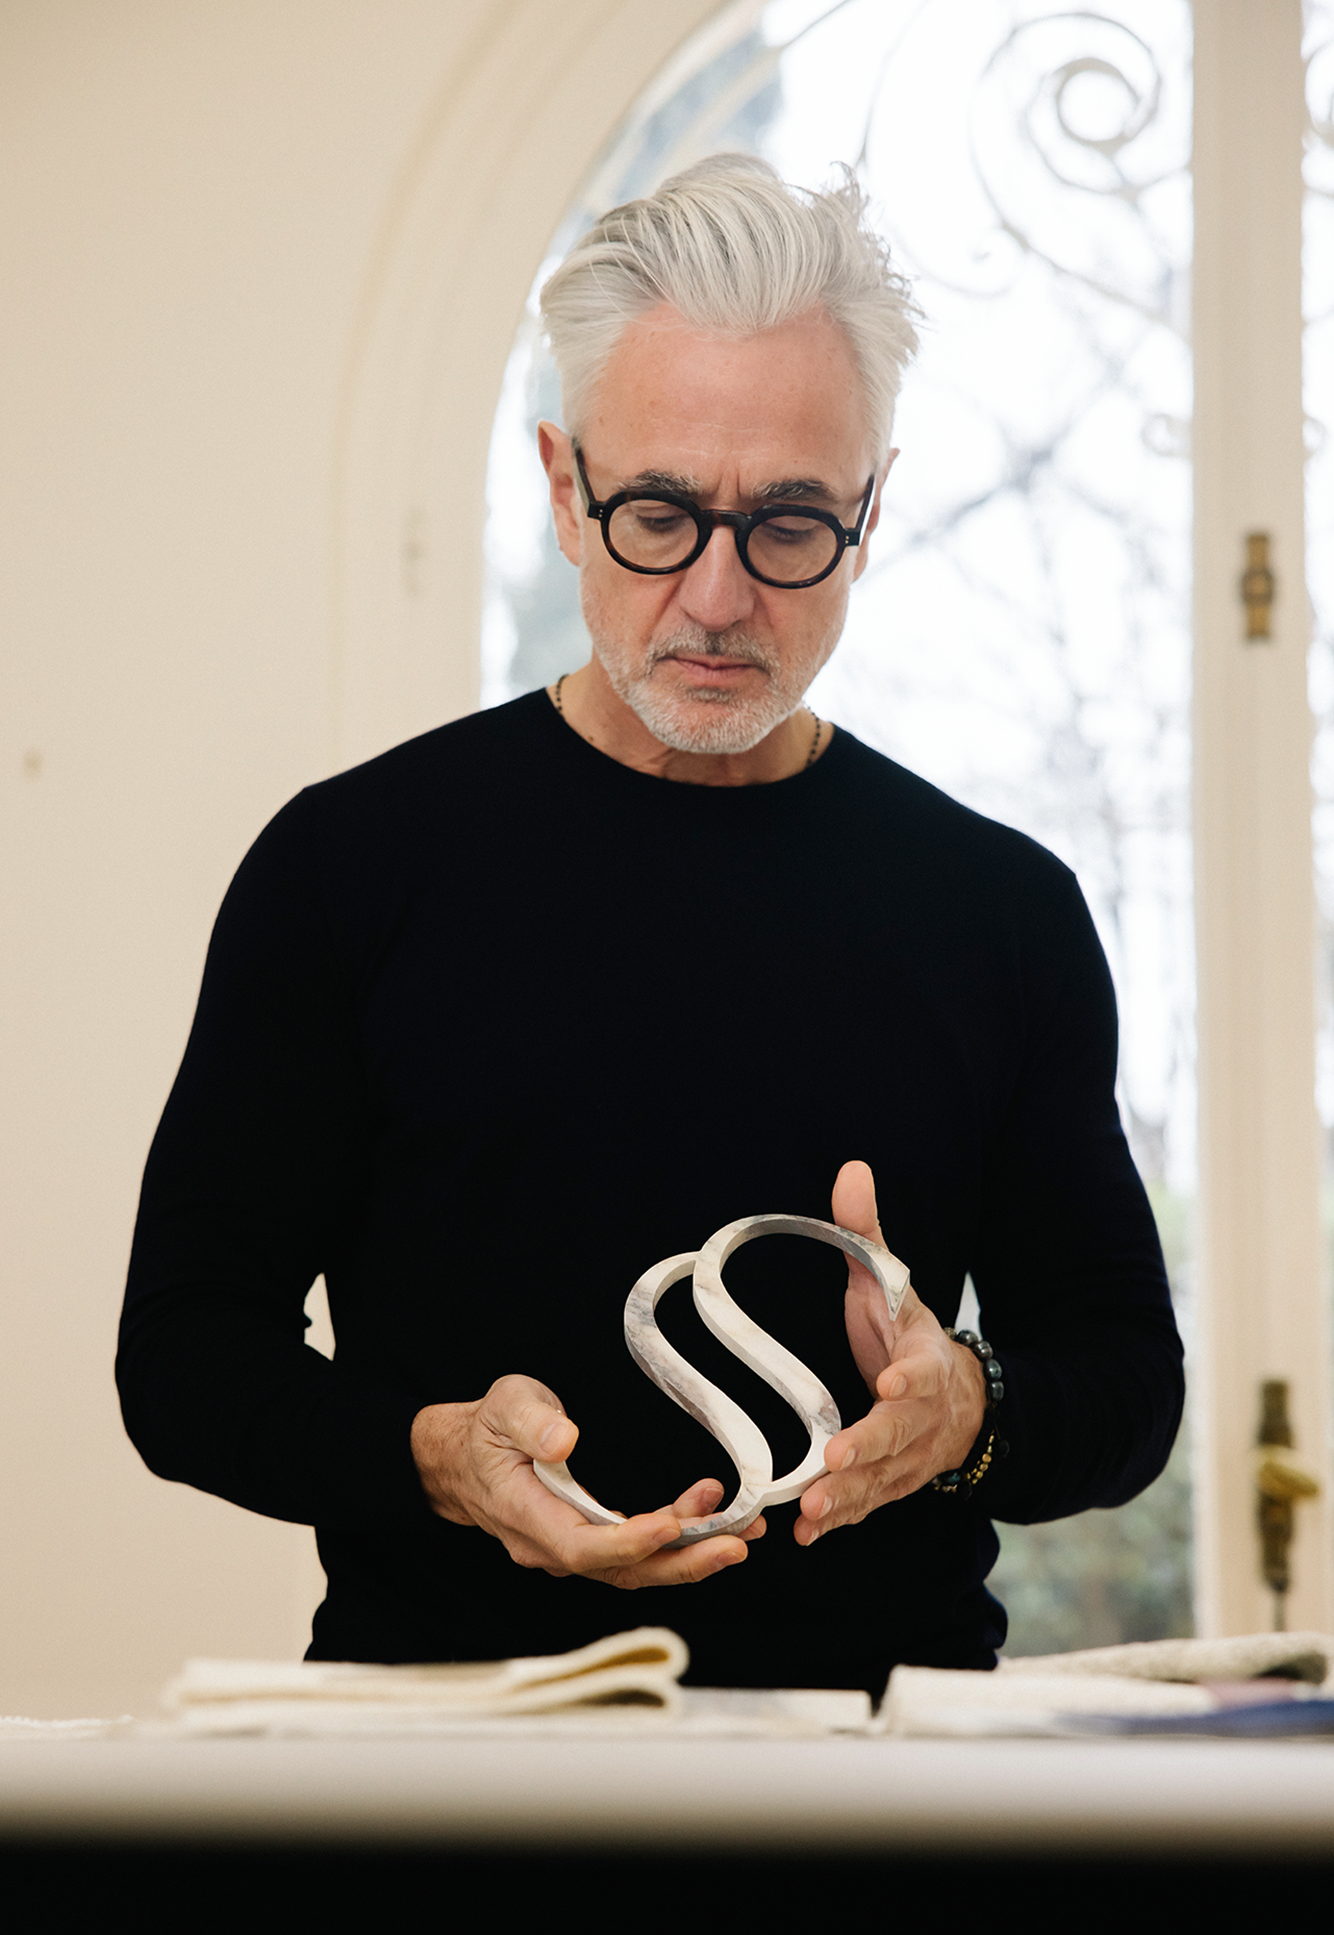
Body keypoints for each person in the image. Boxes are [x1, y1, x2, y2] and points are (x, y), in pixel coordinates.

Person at [117, 155, 1182, 1692]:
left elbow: (1124, 1380)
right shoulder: (348, 867)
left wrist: (969, 1413)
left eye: (790, 523)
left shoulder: (998, 910)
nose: (719, 597)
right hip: (443, 1750)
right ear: (564, 490)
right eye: (660, 514)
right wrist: (433, 1456)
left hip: (879, 1761)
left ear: (870, 511)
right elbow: (184, 1355)